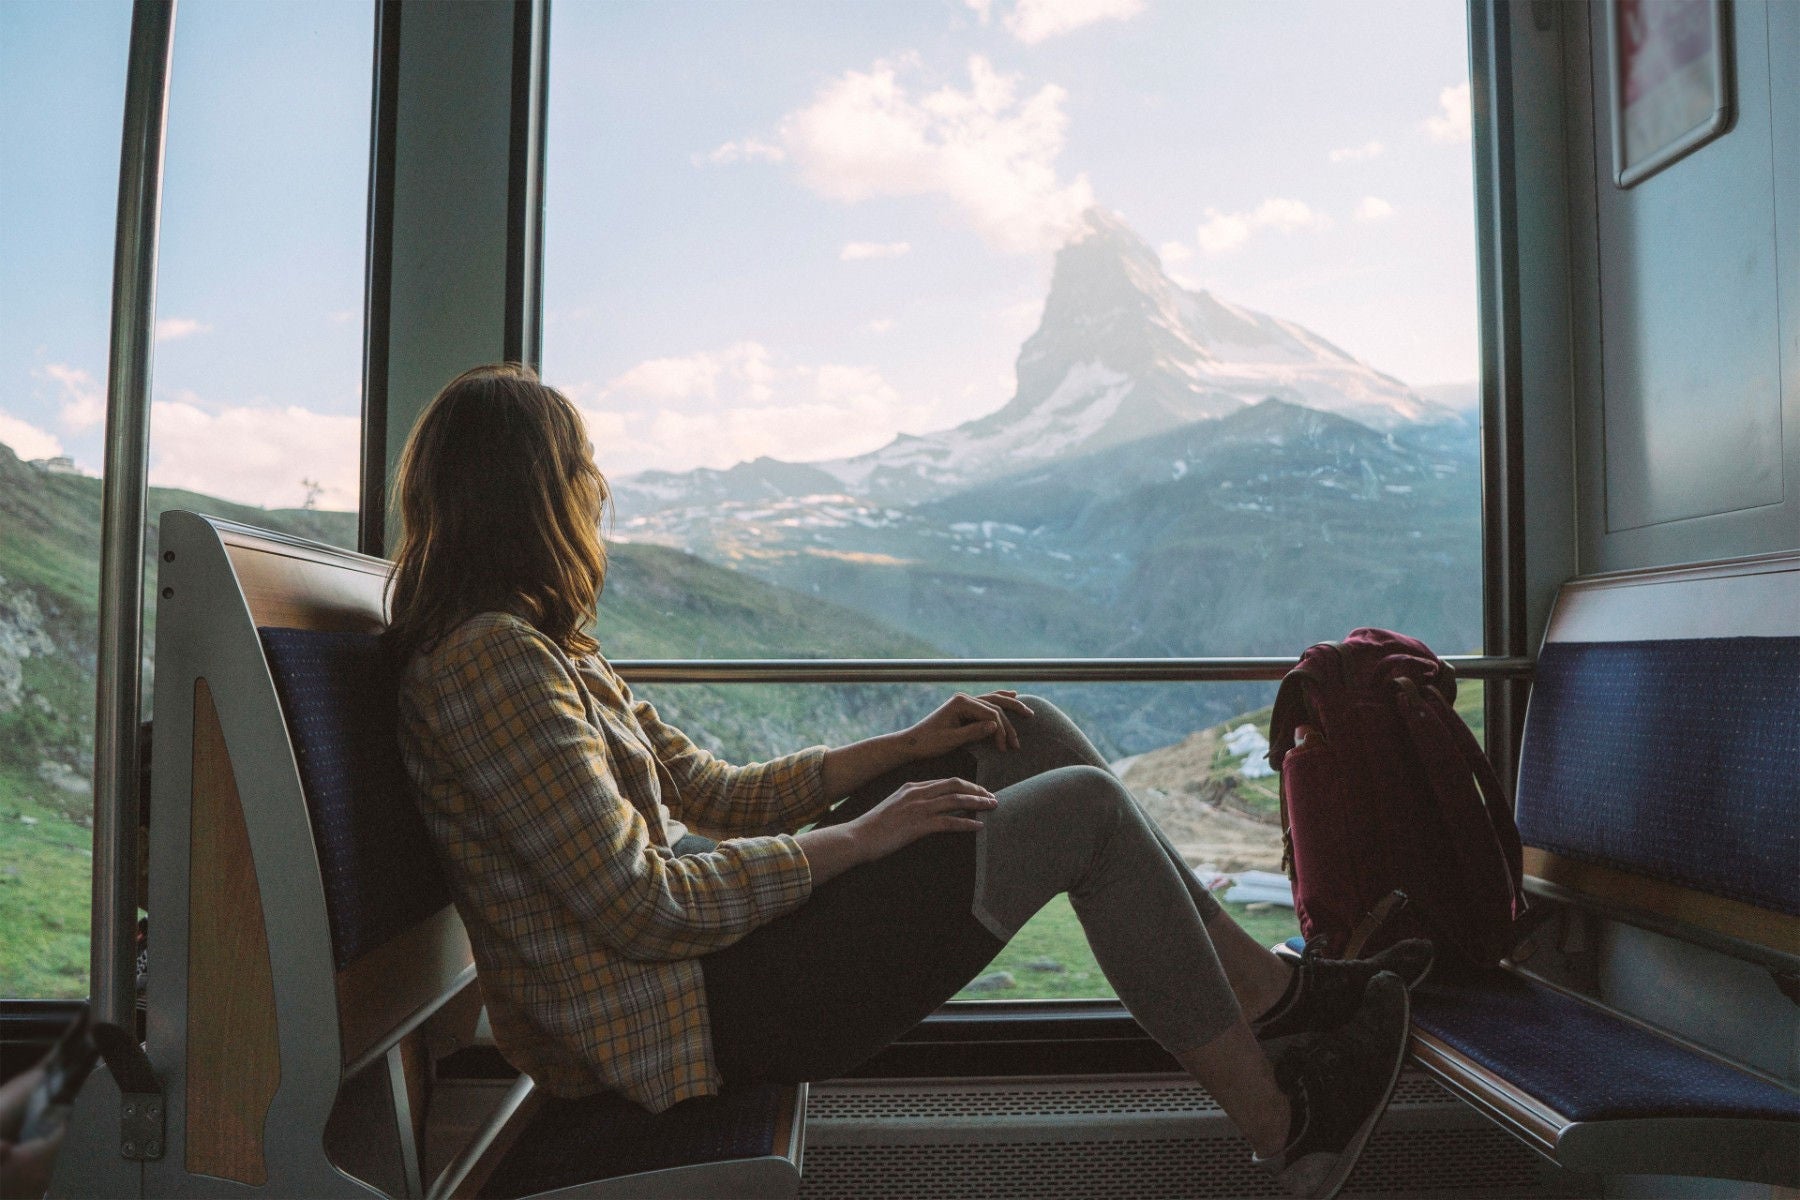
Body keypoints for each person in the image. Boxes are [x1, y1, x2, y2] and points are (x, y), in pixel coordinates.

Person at [385, 364, 1432, 1200]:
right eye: (583, 471)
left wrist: (900, 748)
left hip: (709, 979)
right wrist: (862, 838)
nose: (596, 494)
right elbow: (641, 902)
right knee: (1089, 816)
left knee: (1020, 728)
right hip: (678, 1020)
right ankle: (1289, 1124)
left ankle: (1275, 996)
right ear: (533, 494)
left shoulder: (547, 649)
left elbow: (709, 791)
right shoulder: (492, 663)